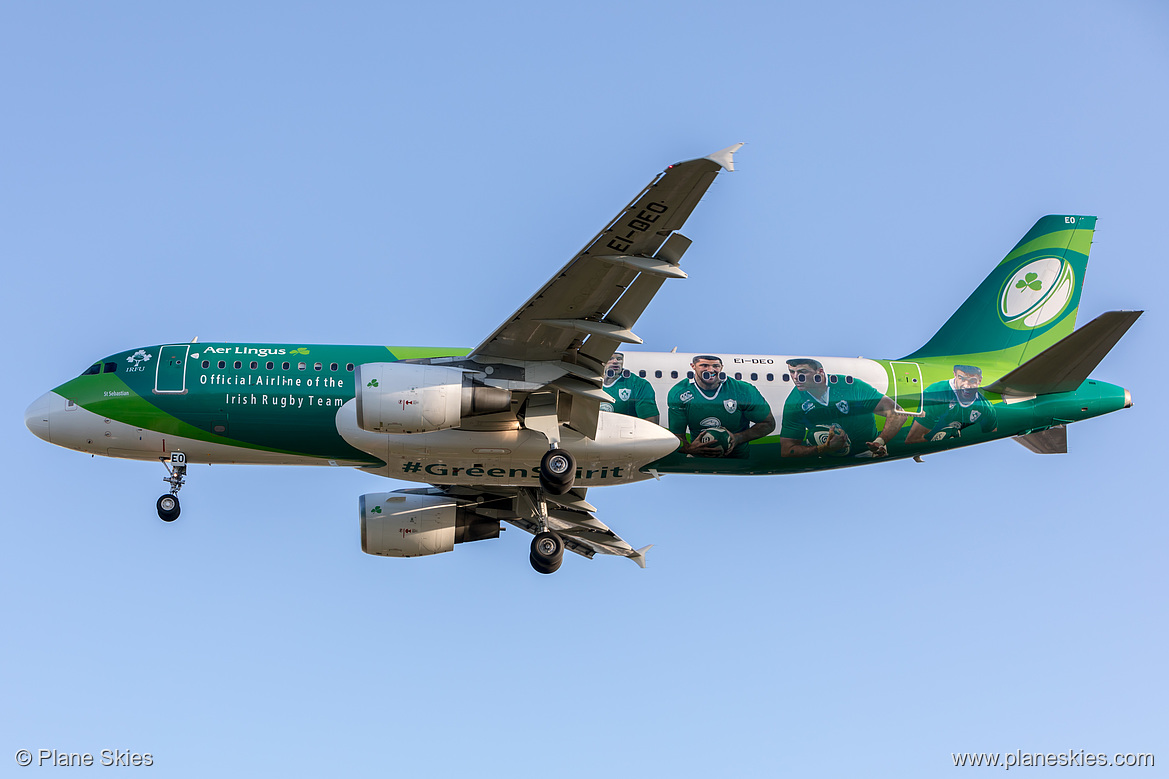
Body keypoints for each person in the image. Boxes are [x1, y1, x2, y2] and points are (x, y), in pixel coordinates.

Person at [779, 358, 907, 458]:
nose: (795, 377)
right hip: (829, 456)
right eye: (792, 372)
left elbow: (898, 413)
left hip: (867, 452)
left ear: (820, 373)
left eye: (802, 372)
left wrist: (879, 442)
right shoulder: (794, 401)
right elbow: (787, 449)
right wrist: (823, 448)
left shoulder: (850, 385)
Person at [667, 355, 775, 457]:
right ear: (693, 366)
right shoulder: (679, 393)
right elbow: (677, 436)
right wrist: (689, 448)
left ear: (721, 367)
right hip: (699, 459)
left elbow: (768, 423)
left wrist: (737, 438)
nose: (710, 370)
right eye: (704, 365)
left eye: (715, 366)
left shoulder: (743, 390)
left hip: (739, 458)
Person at [905, 365, 998, 444]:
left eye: (972, 381)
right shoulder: (936, 395)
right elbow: (913, 440)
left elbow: (993, 440)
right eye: (961, 378)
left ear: (980, 380)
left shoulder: (986, 408)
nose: (967, 386)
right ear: (955, 375)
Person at [600, 353, 659, 423]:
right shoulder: (589, 383)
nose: (615, 361)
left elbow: (650, 421)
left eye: (619, 359)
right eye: (610, 359)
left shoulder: (639, 384)